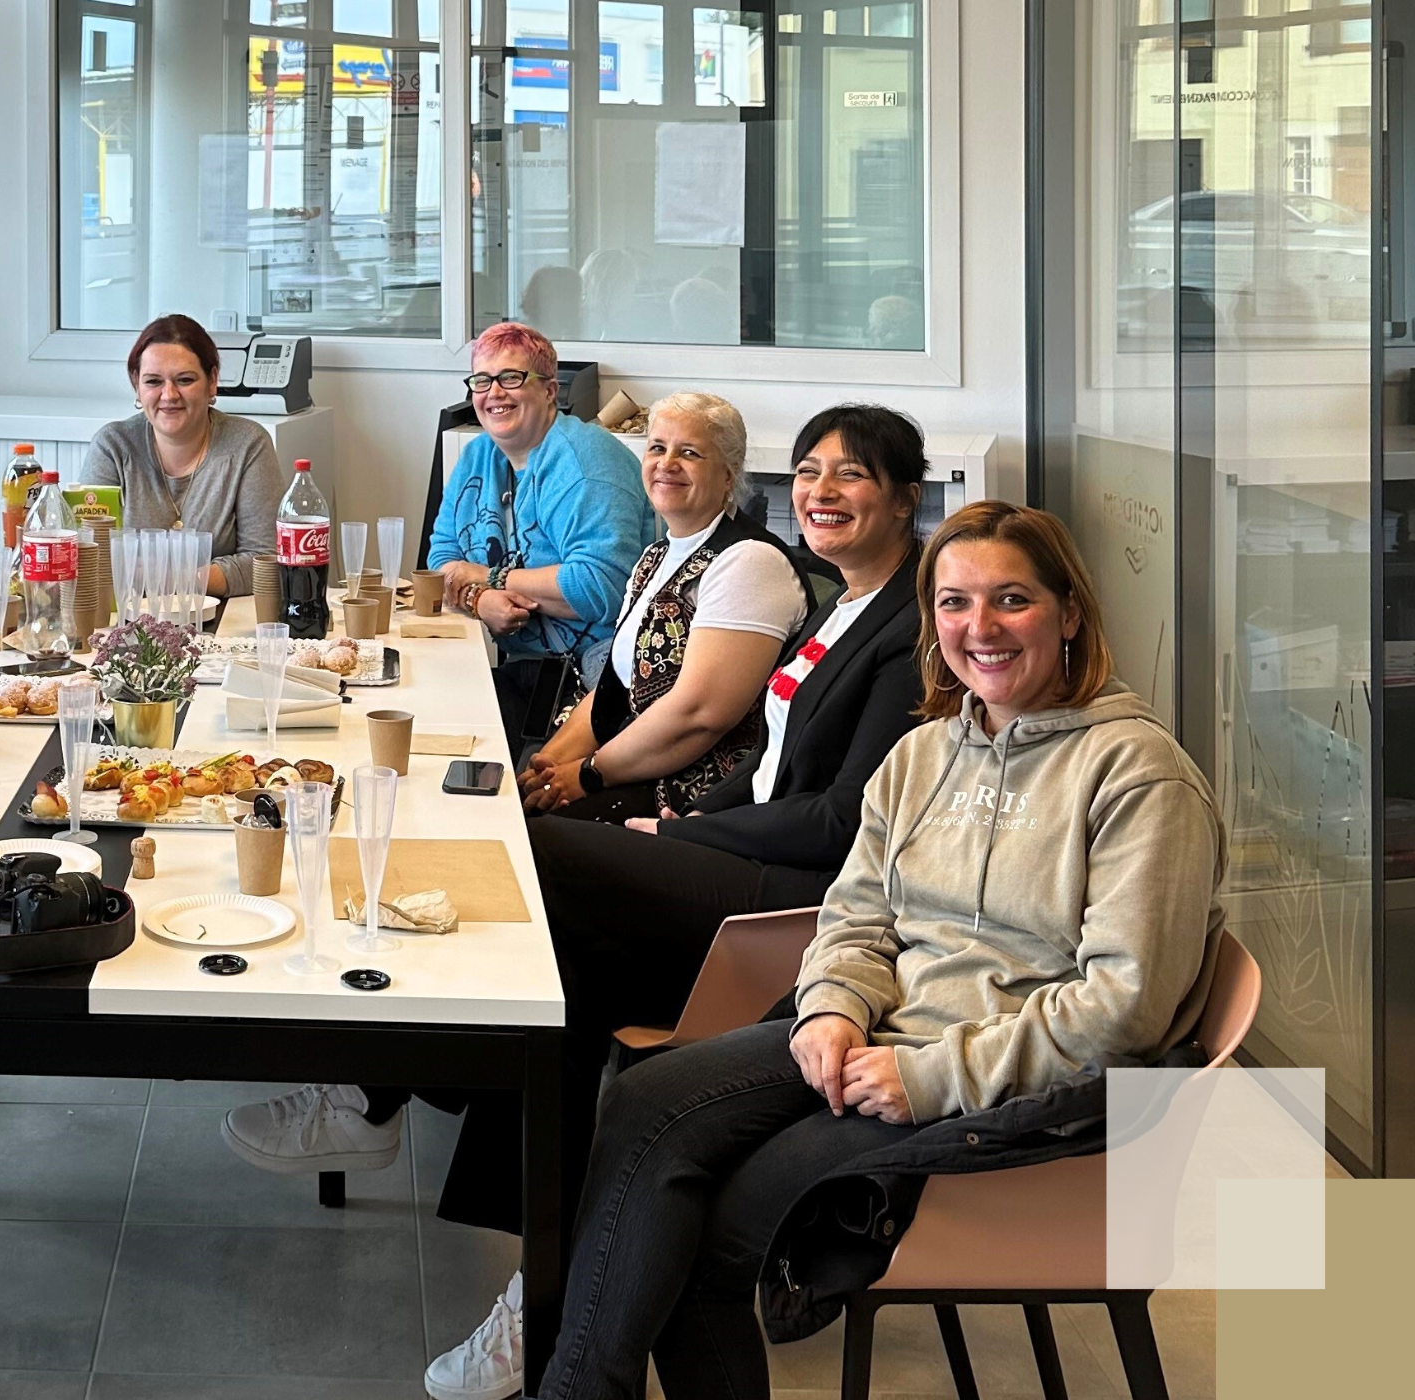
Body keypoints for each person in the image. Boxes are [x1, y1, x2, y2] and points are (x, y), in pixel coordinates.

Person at [228, 406, 924, 1400]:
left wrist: (667, 832)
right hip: (739, 854)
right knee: (552, 993)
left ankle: (379, 1086)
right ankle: (535, 1285)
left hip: (797, 907)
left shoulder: (901, 627)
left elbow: (836, 819)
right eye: (807, 468)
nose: (819, 490)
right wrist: (632, 810)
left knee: (532, 857)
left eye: (848, 474)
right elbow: (769, 769)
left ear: (902, 493)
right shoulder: (840, 605)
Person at [535, 501, 1226, 1400]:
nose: (980, 627)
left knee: (715, 1230)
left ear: (1070, 613)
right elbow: (857, 915)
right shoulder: (925, 753)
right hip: (874, 1042)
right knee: (643, 1101)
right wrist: (831, 1006)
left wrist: (931, 1076)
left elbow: (1122, 1009)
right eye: (953, 603)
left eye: (1011, 600)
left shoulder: (1140, 775)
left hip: (1005, 1089)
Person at [517, 391, 813, 821]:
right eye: (657, 447)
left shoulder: (751, 561)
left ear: (728, 476)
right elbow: (615, 691)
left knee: (537, 837)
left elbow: (698, 716)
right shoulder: (655, 556)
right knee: (514, 802)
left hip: (700, 802)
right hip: (631, 766)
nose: (666, 463)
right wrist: (545, 769)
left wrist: (585, 776)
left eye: (689, 453)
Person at [425, 321, 649, 740]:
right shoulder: (477, 456)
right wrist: (481, 598)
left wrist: (488, 576)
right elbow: (439, 561)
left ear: (549, 390)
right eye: (481, 380)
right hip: (529, 670)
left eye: (511, 377)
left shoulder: (585, 464)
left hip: (599, 677)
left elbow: (598, 589)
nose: (494, 392)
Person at [78, 313, 286, 598]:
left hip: (222, 621)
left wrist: (153, 574)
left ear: (212, 381)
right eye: (153, 382)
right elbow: (92, 561)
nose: (169, 395)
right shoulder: (111, 447)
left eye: (185, 380)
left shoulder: (248, 444)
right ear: (136, 383)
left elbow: (266, 562)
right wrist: (204, 575)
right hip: (128, 623)